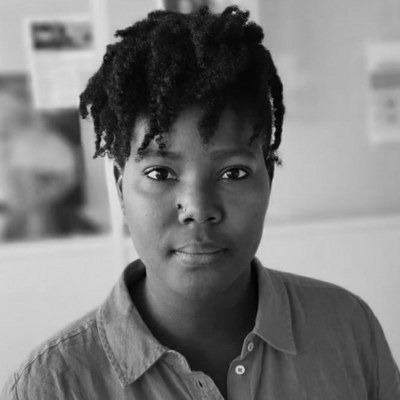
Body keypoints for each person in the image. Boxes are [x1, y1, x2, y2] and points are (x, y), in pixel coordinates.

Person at [1, 6, 399, 400]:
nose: (197, 208)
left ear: (268, 179)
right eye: (160, 173)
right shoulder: (50, 386)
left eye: (233, 173)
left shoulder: (348, 329)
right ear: (122, 189)